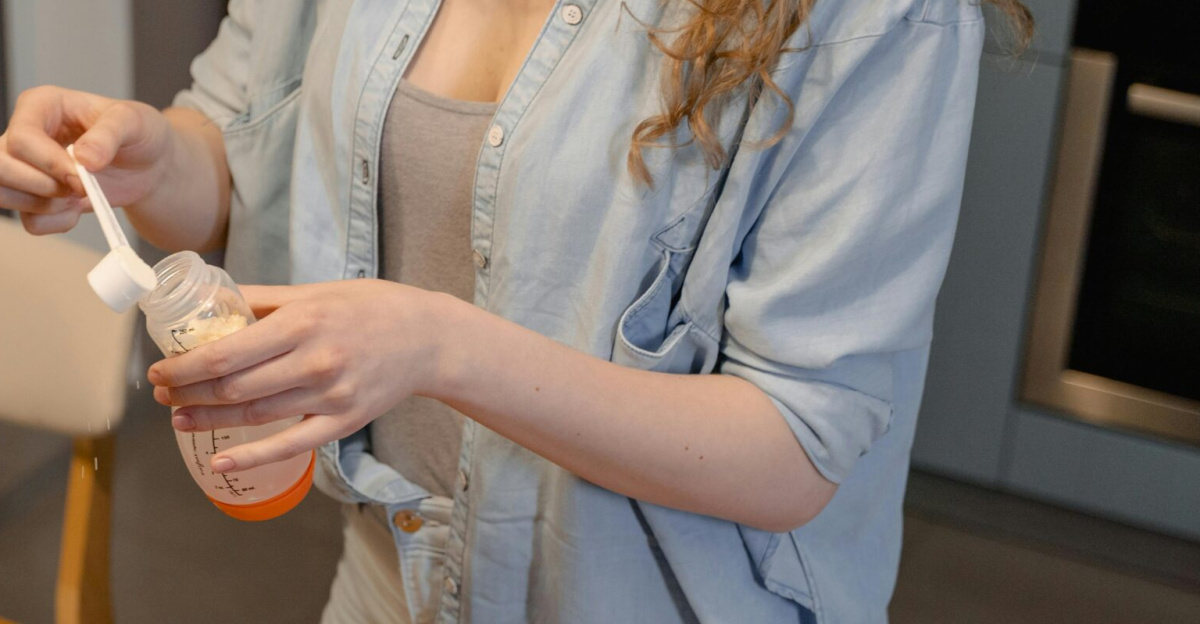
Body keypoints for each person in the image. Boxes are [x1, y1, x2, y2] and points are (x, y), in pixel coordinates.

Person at [1, 0, 1031, 621]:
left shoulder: (875, 16)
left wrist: (440, 348)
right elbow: (246, 155)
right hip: (391, 583)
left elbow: (795, 445)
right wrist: (154, 159)